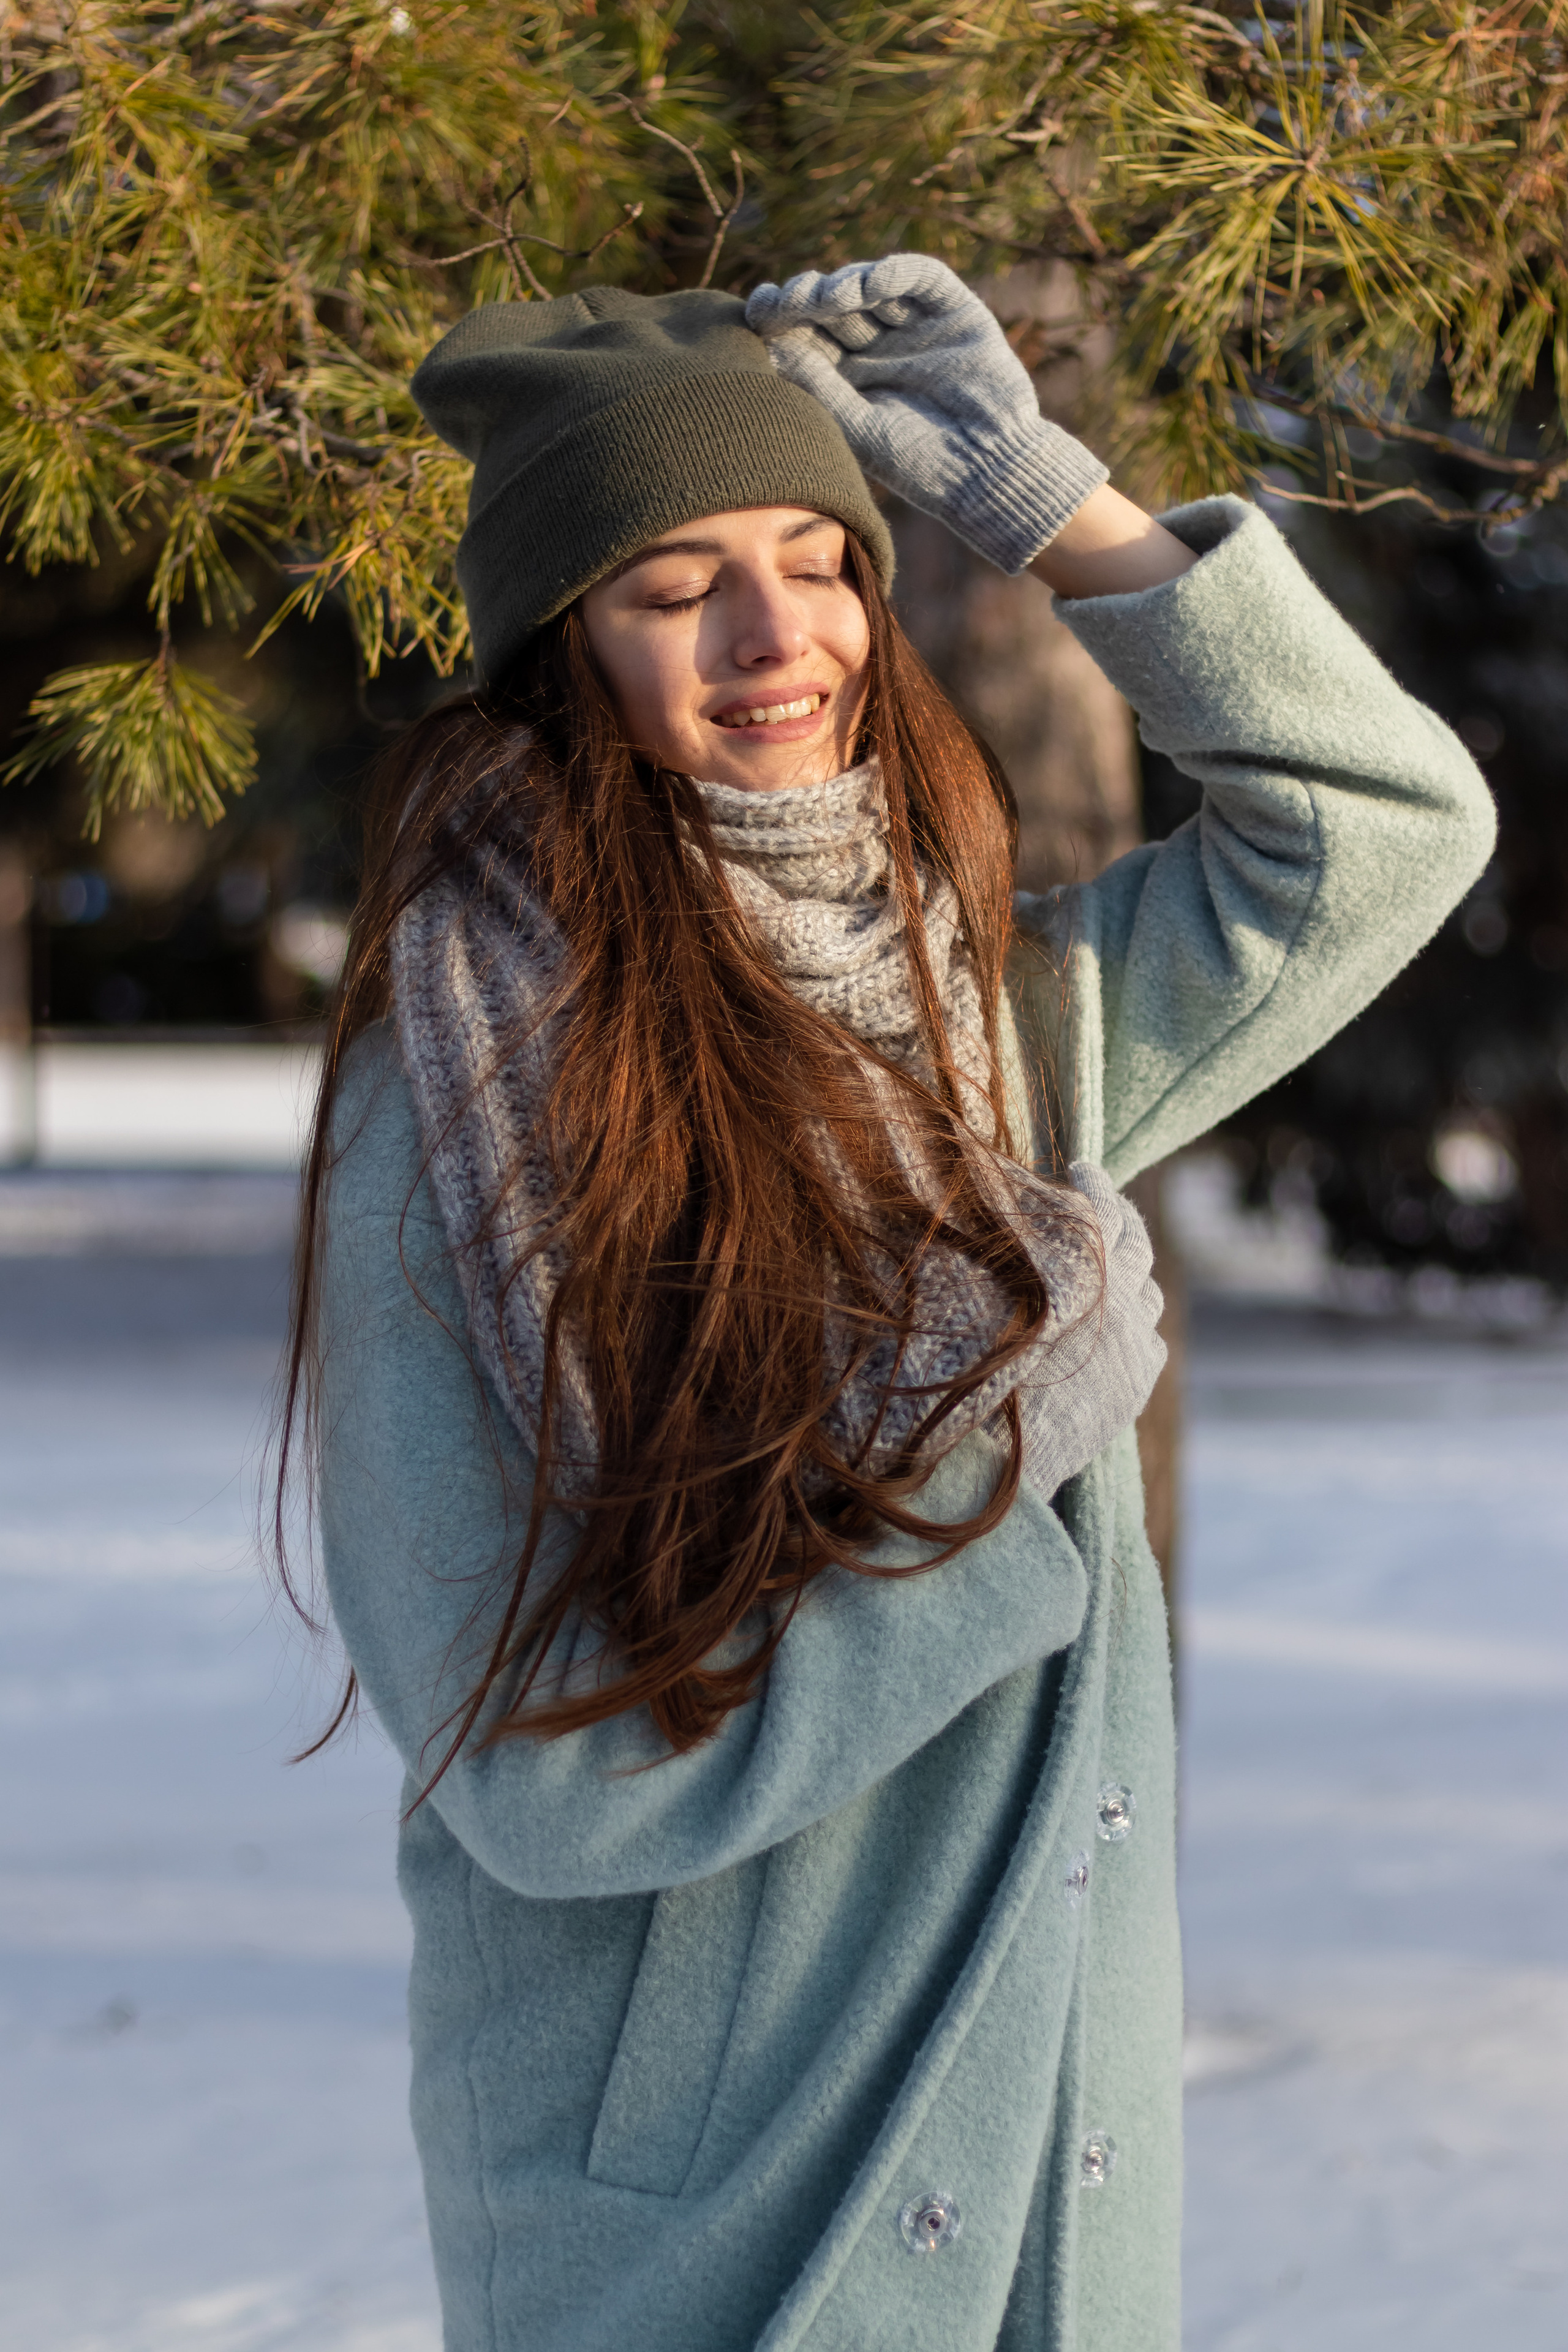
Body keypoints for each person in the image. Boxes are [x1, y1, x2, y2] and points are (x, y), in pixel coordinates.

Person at [282, 256, 1494, 2351]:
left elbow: (1385, 829)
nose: (783, 642)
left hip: (1042, 2133)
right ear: (561, 647)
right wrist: (999, 1491)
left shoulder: (1002, 1019)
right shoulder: (459, 1106)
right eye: (677, 590)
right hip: (717, 2202)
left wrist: (1041, 495)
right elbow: (545, 1774)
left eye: (822, 562)